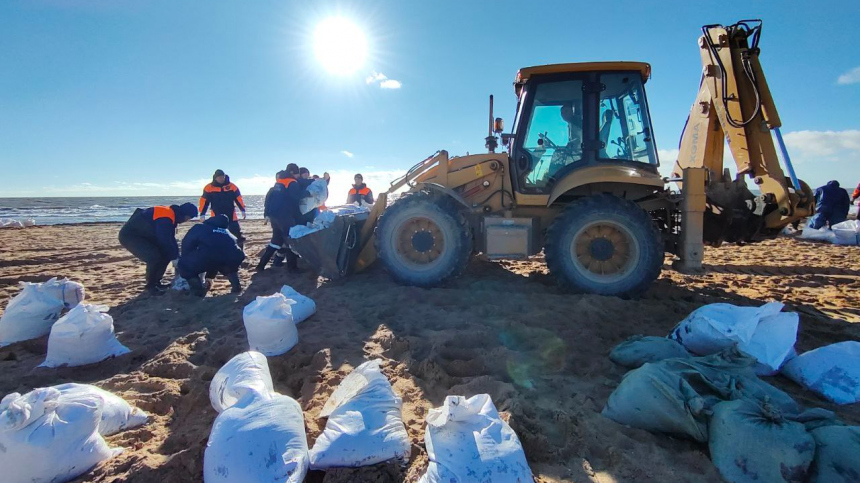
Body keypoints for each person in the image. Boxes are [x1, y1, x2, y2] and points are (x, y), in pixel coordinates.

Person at [118, 203, 198, 295]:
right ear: (184, 214)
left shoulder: (171, 216)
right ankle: (150, 286)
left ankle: (157, 282)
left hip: (145, 235)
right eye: (188, 218)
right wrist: (175, 258)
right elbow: (164, 239)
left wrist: (176, 256)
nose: (187, 220)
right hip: (130, 236)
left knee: (165, 254)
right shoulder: (165, 217)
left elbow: (170, 239)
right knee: (153, 257)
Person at [177, 214, 245, 296]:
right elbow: (219, 252)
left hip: (211, 256)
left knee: (184, 266)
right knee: (226, 264)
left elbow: (187, 243)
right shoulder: (227, 232)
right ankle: (236, 286)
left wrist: (186, 258)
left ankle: (198, 290)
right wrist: (210, 276)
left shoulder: (200, 227)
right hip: (235, 257)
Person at [258, 164, 307, 272]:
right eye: (297, 173)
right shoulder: (292, 182)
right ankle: (292, 267)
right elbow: (296, 198)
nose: (298, 176)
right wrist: (307, 194)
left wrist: (267, 214)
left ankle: (261, 265)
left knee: (276, 240)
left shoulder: (279, 183)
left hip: (275, 216)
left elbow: (269, 201)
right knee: (291, 239)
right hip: (285, 216)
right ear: (293, 173)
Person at [198, 169, 247, 248]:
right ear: (215, 178)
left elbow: (238, 199)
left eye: (222, 177)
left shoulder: (232, 186)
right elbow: (204, 202)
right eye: (219, 177)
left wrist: (242, 210)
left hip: (231, 214)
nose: (221, 179)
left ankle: (240, 251)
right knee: (218, 235)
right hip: (216, 215)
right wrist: (202, 214)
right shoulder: (209, 188)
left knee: (237, 234)